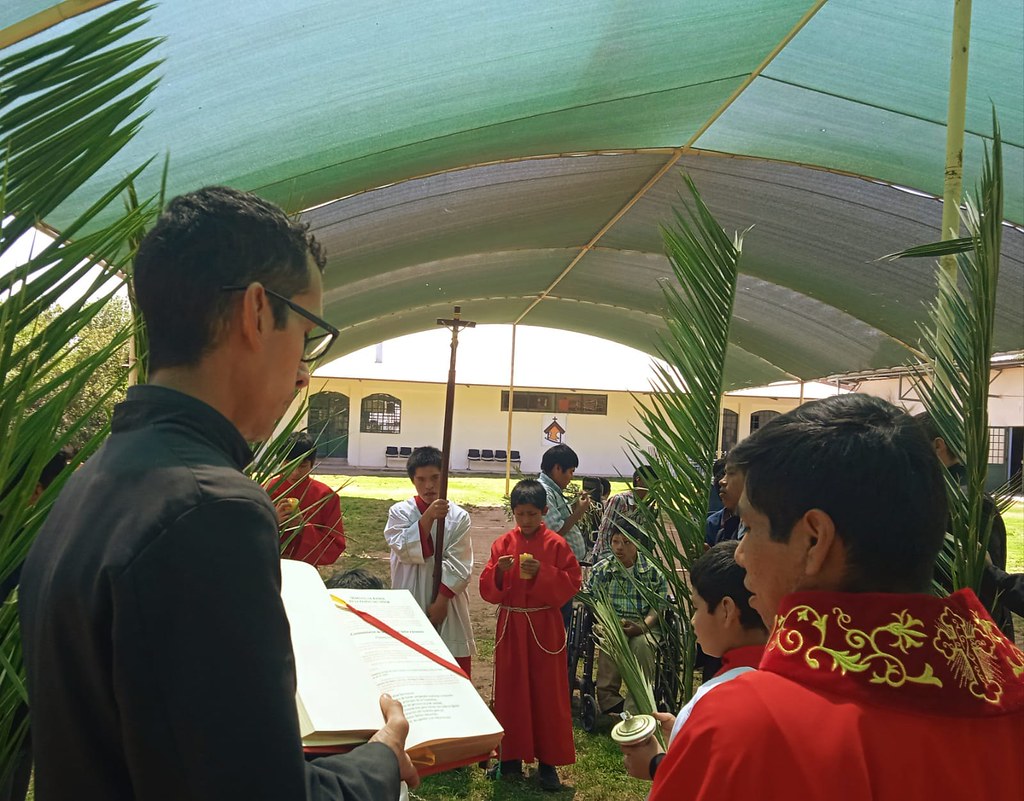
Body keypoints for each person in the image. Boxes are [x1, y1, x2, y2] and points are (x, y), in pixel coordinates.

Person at [18, 186, 417, 801]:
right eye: (306, 337)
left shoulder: (91, 482)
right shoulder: (211, 508)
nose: (304, 374)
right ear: (256, 313)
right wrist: (381, 762)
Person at [642, 394, 1024, 801]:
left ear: (813, 540)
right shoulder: (1009, 700)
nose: (740, 554)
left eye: (750, 528)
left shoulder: (741, 731)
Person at [619, 540, 767, 782]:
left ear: (726, 610)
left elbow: (700, 786)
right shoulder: (792, 680)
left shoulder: (714, 700)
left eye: (696, 608)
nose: (693, 621)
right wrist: (684, 735)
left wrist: (657, 764)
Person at [479, 478, 582, 792]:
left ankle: (548, 762)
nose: (526, 520)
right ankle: (510, 756)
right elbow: (488, 588)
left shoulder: (556, 544)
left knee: (546, 692)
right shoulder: (503, 544)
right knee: (510, 690)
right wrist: (498, 572)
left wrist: (543, 573)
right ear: (513, 512)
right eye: (520, 514)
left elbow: (572, 582)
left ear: (544, 512)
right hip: (512, 624)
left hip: (543, 626)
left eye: (532, 514)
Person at [915, 410, 1014, 638]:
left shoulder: (967, 501)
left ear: (938, 446)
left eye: (914, 449)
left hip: (970, 633)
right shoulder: (944, 493)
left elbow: (986, 581)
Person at [384, 446, 474, 677]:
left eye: (435, 478)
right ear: (412, 480)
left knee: (449, 665)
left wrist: (442, 601)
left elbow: (460, 562)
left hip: (447, 603)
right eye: (421, 480)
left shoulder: (459, 517)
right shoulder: (399, 513)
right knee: (410, 661)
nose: (429, 486)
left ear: (445, 477)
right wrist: (428, 517)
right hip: (410, 594)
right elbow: (403, 549)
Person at [587, 520, 668, 715]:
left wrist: (642, 627)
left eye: (626, 542)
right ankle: (609, 701)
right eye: (615, 541)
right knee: (613, 639)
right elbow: (592, 601)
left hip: (645, 625)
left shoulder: (653, 573)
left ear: (637, 544)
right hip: (611, 621)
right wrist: (609, 622)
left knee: (642, 645)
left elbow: (657, 609)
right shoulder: (602, 570)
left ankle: (636, 707)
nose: (619, 547)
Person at [268, 431, 347, 566]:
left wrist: (303, 528)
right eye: (289, 464)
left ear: (312, 463)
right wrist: (272, 522)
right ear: (280, 462)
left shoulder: (325, 496)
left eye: (302, 466)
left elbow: (334, 546)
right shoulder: (265, 491)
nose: (295, 472)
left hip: (304, 570)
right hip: (267, 567)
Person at [537, 444, 590, 626]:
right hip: (557, 570)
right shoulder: (545, 492)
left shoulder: (553, 491)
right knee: (558, 621)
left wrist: (574, 509)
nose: (571, 477)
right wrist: (579, 512)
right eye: (571, 471)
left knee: (562, 619)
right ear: (558, 468)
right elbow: (554, 532)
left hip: (564, 568)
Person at [589, 464, 656, 563]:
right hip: (607, 557)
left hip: (628, 558)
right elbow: (605, 531)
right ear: (638, 479)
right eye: (652, 482)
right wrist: (608, 559)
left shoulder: (647, 506)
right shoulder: (619, 500)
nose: (654, 488)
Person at [704, 454, 746, 547]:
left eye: (731, 474)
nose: (721, 481)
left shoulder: (761, 525)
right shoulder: (713, 523)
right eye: (718, 476)